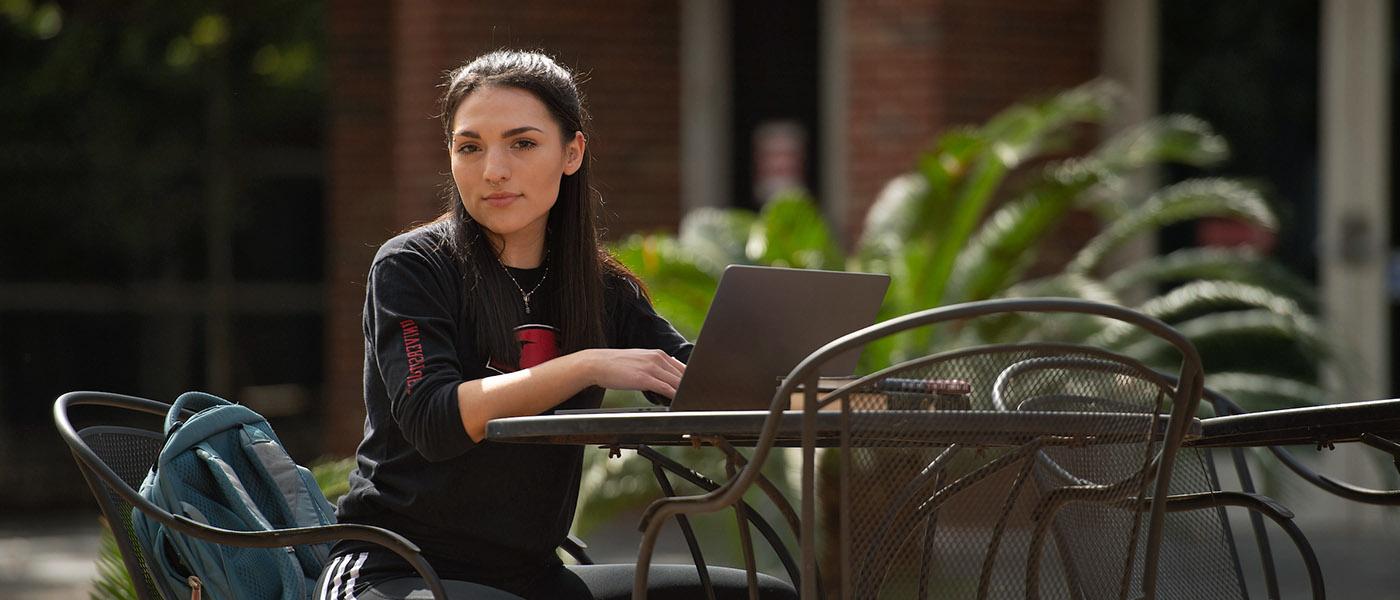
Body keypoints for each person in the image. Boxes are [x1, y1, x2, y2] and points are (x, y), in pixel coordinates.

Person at [316, 50, 795, 600]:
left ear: (571, 153)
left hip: (531, 576)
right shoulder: (412, 267)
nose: (493, 169)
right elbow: (433, 419)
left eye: (522, 143)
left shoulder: (600, 287)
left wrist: (829, 388)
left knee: (763, 594)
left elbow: (704, 386)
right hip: (395, 568)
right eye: (469, 147)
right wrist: (587, 364)